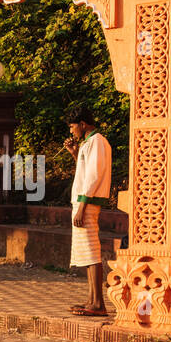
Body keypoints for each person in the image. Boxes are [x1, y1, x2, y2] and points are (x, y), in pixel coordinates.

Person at [63, 104, 112, 317]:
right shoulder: (88, 143)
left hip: (88, 203)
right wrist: (75, 153)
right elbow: (84, 172)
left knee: (92, 251)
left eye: (73, 127)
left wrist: (82, 207)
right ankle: (92, 300)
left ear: (83, 124)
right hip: (84, 201)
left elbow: (93, 176)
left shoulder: (97, 142)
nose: (71, 131)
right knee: (86, 251)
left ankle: (98, 303)